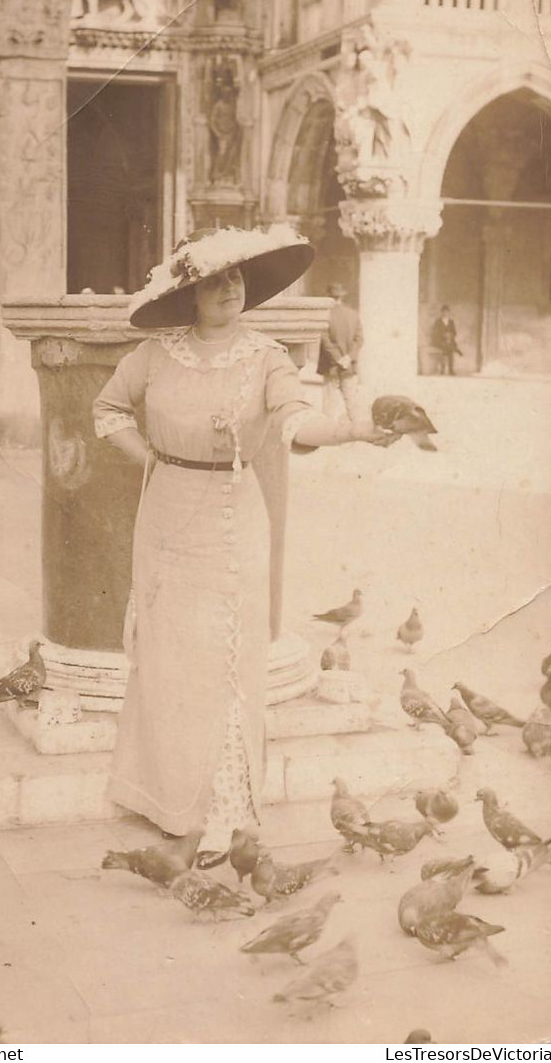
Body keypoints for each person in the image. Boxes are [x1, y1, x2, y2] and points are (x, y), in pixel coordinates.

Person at [93, 225, 394, 868]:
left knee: (225, 666)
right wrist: (149, 459)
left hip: (232, 520)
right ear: (190, 293)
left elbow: (295, 421)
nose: (229, 288)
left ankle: (223, 814)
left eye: (236, 277)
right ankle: (173, 800)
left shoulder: (267, 356)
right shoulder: (154, 353)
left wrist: (354, 431)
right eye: (213, 280)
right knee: (170, 659)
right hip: (166, 513)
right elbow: (108, 410)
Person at [317, 283, 363, 422]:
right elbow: (359, 339)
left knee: (329, 405)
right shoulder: (353, 315)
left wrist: (338, 359)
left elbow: (325, 341)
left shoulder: (325, 316)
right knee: (352, 403)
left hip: (331, 367)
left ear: (328, 297)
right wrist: (349, 357)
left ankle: (329, 435)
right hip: (348, 366)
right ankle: (358, 432)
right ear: (341, 297)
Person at [430, 304, 462, 376]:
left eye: (447, 312)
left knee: (448, 348)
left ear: (448, 313)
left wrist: (450, 337)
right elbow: (435, 332)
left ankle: (450, 369)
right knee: (447, 348)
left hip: (449, 340)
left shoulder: (451, 321)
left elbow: (454, 332)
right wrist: (444, 336)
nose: (445, 313)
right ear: (441, 312)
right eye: (443, 312)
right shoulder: (438, 321)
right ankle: (443, 368)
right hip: (440, 340)